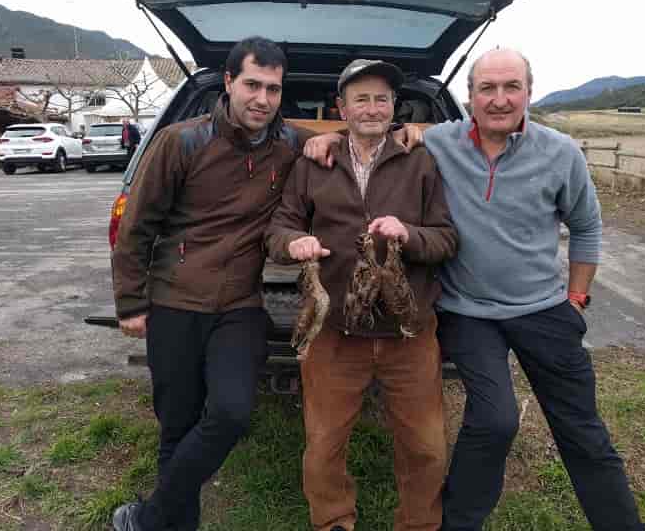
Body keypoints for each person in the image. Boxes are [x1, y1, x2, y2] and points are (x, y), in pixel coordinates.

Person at [110, 39, 421, 531]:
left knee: (231, 413)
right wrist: (131, 302)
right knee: (177, 424)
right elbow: (137, 227)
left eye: (273, 89)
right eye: (252, 84)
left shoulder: (291, 144)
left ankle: (148, 516)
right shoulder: (180, 141)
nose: (262, 98)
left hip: (239, 303)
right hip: (174, 299)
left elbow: (364, 133)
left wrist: (385, 133)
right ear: (229, 81)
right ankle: (168, 524)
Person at [422, 48, 645, 531]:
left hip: (545, 309)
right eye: (487, 88)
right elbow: (379, 136)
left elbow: (587, 226)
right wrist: (322, 143)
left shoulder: (560, 152)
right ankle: (457, 523)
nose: (499, 99)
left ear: (528, 91)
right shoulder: (439, 142)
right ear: (470, 96)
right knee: (494, 421)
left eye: (511, 87)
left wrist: (576, 298)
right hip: (468, 311)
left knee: (583, 432)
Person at [265, 59, 458, 531]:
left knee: (427, 445)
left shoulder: (423, 161)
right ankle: (333, 520)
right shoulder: (313, 163)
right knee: (325, 441)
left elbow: (447, 239)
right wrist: (294, 242)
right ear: (341, 108)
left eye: (382, 99)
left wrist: (409, 235)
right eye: (361, 99)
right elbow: (280, 226)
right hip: (334, 331)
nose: (372, 108)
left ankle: (418, 523)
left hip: (408, 331)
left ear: (394, 107)